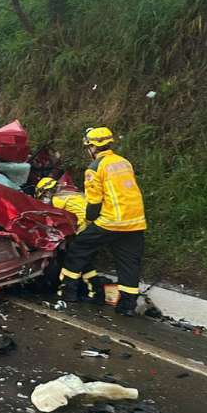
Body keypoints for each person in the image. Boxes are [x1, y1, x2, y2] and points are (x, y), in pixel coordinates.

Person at [57, 127, 147, 316]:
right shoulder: (123, 162)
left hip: (111, 221)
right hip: (136, 222)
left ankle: (68, 292)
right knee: (129, 263)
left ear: (92, 147)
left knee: (78, 248)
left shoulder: (95, 168)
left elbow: (94, 203)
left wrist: (89, 221)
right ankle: (127, 307)